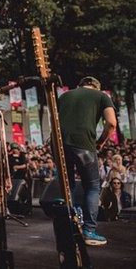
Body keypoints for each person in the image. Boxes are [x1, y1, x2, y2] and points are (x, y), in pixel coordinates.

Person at [58, 76, 117, 246]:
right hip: (83, 144)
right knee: (92, 186)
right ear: (96, 87)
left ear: (80, 85)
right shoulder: (101, 96)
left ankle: (69, 225)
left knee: (67, 185)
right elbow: (111, 123)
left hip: (59, 144)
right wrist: (100, 142)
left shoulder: (65, 95)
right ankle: (89, 231)